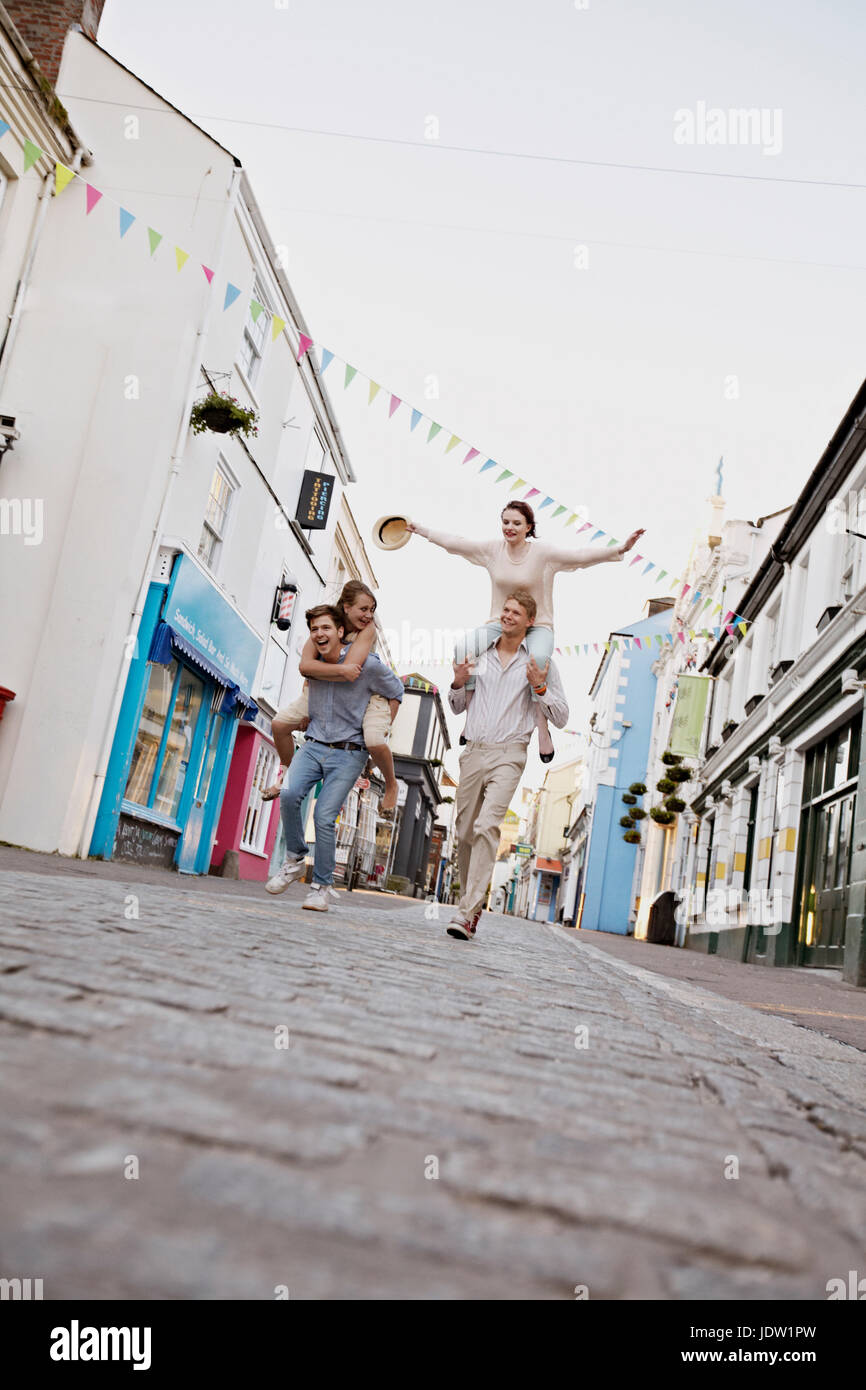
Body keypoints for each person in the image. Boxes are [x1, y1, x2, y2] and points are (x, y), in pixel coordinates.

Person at [409, 503, 643, 761]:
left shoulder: (543, 553)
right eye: (505, 522)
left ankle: (542, 728)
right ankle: (469, 718)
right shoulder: (492, 550)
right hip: (501, 621)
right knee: (463, 649)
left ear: (529, 527)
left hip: (539, 624)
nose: (510, 528)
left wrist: (620, 548)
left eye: (516, 523)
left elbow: (579, 556)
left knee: (537, 660)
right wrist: (421, 530)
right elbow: (456, 543)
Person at [445, 587, 568, 941]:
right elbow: (456, 706)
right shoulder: (479, 654)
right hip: (474, 752)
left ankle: (466, 913)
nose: (507, 616)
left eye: (515, 612)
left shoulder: (540, 664)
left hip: (510, 754)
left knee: (487, 825)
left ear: (530, 622)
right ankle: (471, 902)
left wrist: (540, 688)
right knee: (465, 830)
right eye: (505, 610)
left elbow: (561, 716)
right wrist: (458, 681)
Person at [265, 603, 404, 912]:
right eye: (314, 629)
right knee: (288, 793)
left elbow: (397, 689)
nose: (319, 634)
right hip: (313, 744)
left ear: (341, 631)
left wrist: (380, 728)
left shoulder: (367, 665)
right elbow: (305, 681)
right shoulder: (312, 660)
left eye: (326, 628)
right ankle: (295, 860)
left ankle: (321, 887)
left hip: (349, 752)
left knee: (324, 816)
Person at [267, 580, 401, 813]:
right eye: (364, 609)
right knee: (279, 724)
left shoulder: (367, 630)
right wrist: (310, 700)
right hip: (323, 687)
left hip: (370, 693)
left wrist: (314, 671)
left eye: (372, 609)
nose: (369, 615)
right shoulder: (325, 625)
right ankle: (287, 772)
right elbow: (307, 667)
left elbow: (349, 671)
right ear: (346, 607)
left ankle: (391, 785)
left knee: (374, 740)